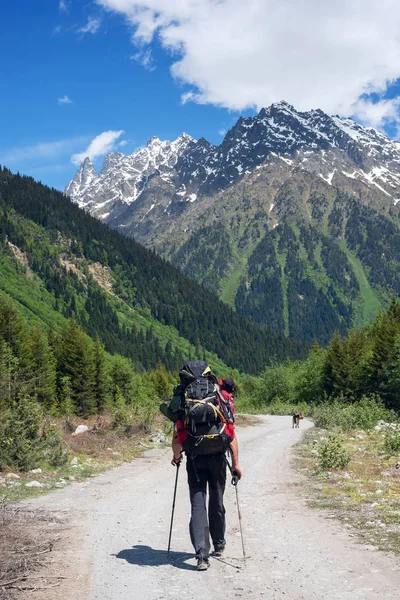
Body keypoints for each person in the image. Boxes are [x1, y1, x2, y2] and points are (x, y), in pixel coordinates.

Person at [171, 367, 242, 572]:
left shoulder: (184, 400)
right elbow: (231, 434)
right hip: (218, 458)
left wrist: (176, 457)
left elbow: (177, 436)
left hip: (194, 460)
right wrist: (236, 465)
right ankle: (219, 544)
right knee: (217, 500)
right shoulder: (219, 397)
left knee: (198, 503)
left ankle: (202, 555)